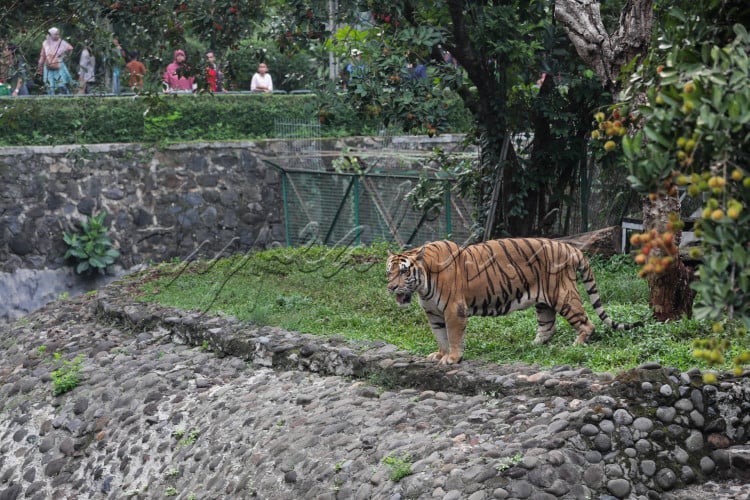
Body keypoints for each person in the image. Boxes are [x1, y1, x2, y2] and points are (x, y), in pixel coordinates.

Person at [38, 27, 74, 95]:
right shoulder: (45, 43)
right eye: (56, 34)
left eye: (58, 34)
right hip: (48, 66)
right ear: (51, 35)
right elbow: (42, 55)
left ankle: (67, 98)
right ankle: (51, 99)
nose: (58, 36)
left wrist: (63, 56)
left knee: (61, 84)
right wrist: (40, 65)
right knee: (49, 85)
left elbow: (70, 48)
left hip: (58, 65)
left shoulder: (61, 42)